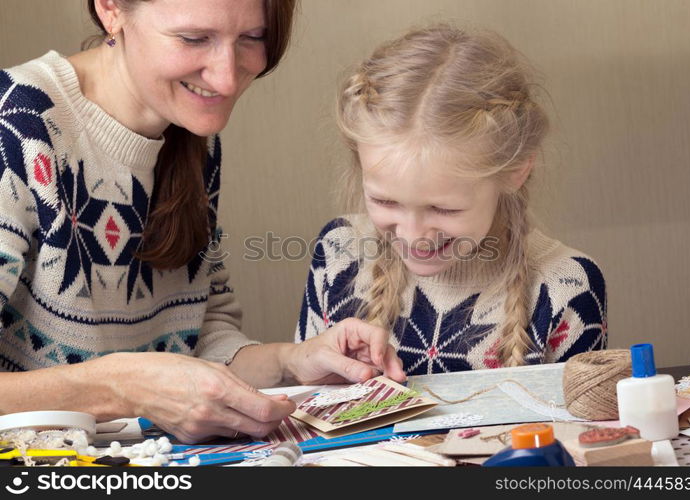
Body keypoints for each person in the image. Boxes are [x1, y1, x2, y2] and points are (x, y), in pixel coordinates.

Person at [0, 0, 404, 444]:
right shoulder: (16, 128)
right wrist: (124, 388)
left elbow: (194, 339)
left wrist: (293, 361)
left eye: (252, 38)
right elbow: (151, 383)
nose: (228, 77)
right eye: (194, 39)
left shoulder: (190, 135)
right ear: (111, 9)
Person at [296, 25, 608, 375]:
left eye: (443, 209)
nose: (414, 236)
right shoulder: (338, 254)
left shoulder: (565, 286)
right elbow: (305, 413)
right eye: (385, 202)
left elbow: (580, 424)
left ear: (515, 171)